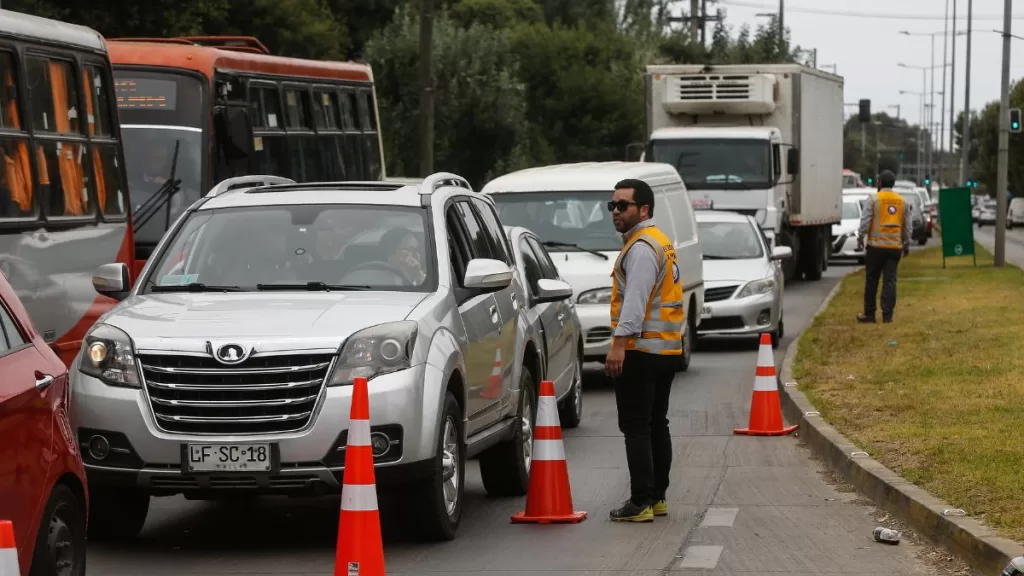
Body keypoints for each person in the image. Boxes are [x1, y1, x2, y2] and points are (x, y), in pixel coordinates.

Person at [604, 178, 684, 523]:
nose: (616, 211)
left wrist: (618, 345)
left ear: (644, 209)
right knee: (655, 424)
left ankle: (640, 502)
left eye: (624, 205)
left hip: (641, 350)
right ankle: (657, 497)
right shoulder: (660, 241)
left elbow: (635, 303)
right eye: (613, 205)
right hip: (666, 350)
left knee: (636, 426)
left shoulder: (640, 248)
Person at [856, 170, 910, 323]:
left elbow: (865, 221)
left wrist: (860, 237)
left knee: (872, 280)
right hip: (894, 249)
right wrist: (906, 243)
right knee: (890, 281)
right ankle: (887, 315)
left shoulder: (873, 199)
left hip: (875, 247)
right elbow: (907, 226)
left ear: (880, 183)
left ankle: (869, 314)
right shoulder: (902, 201)